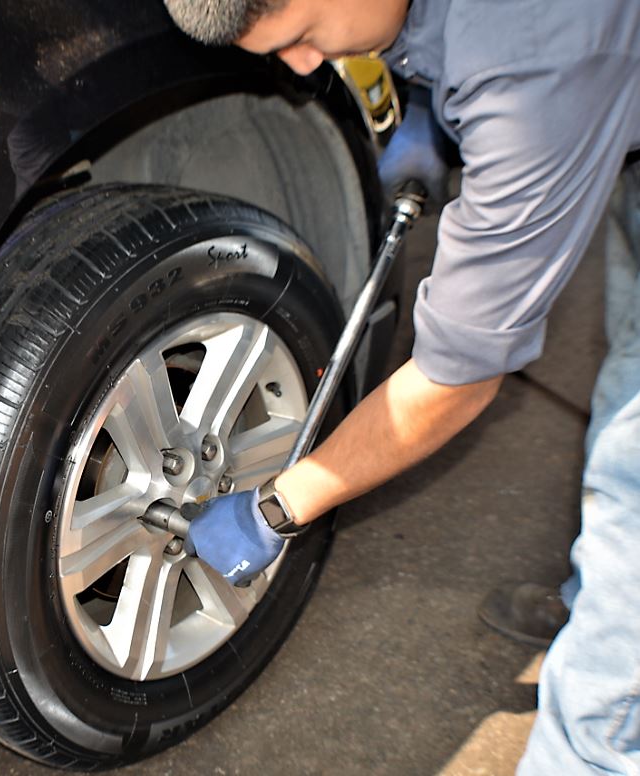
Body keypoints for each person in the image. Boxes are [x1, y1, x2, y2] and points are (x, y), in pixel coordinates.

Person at [163, 0, 640, 772]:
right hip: (601, 76)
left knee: (632, 478)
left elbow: (457, 379)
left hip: (578, 65)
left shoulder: (530, 64)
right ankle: (605, 613)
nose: (303, 66)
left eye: (303, 37)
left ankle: (598, 731)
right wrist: (427, 91)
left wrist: (278, 507)